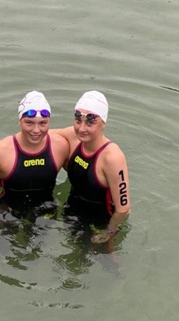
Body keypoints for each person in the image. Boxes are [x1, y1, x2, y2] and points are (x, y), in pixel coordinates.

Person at [52, 90, 131, 244]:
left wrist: (107, 234)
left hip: (101, 223)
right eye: (78, 120)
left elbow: (123, 209)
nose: (81, 128)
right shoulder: (73, 136)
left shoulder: (112, 157)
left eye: (90, 123)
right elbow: (39, 134)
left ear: (103, 124)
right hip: (72, 211)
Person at [0, 90, 70, 213]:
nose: (36, 130)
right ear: (19, 121)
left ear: (49, 122)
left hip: (46, 205)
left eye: (42, 123)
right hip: (7, 209)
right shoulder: (0, 152)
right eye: (29, 123)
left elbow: (80, 177)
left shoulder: (60, 147)